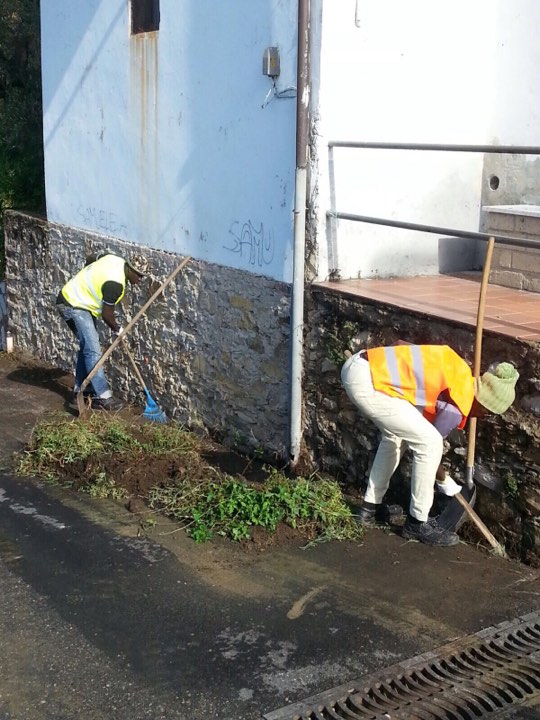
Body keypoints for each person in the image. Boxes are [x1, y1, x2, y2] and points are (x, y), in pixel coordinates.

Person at [341, 344, 519, 547]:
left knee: (394, 438)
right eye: (489, 414)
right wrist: (446, 484)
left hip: (365, 367)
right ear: (486, 407)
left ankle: (369, 509)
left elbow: (402, 344)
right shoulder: (456, 406)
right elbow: (429, 448)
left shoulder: (459, 374)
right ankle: (417, 523)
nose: (484, 417)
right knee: (430, 443)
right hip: (369, 383)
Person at [56, 252, 150, 411]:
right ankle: (103, 397)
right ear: (130, 269)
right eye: (139, 275)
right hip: (72, 304)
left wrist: (85, 280)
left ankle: (81, 392)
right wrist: (117, 329)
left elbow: (92, 257)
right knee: (93, 350)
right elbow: (107, 314)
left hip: (80, 303)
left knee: (87, 348)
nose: (141, 279)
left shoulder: (113, 258)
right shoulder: (115, 284)